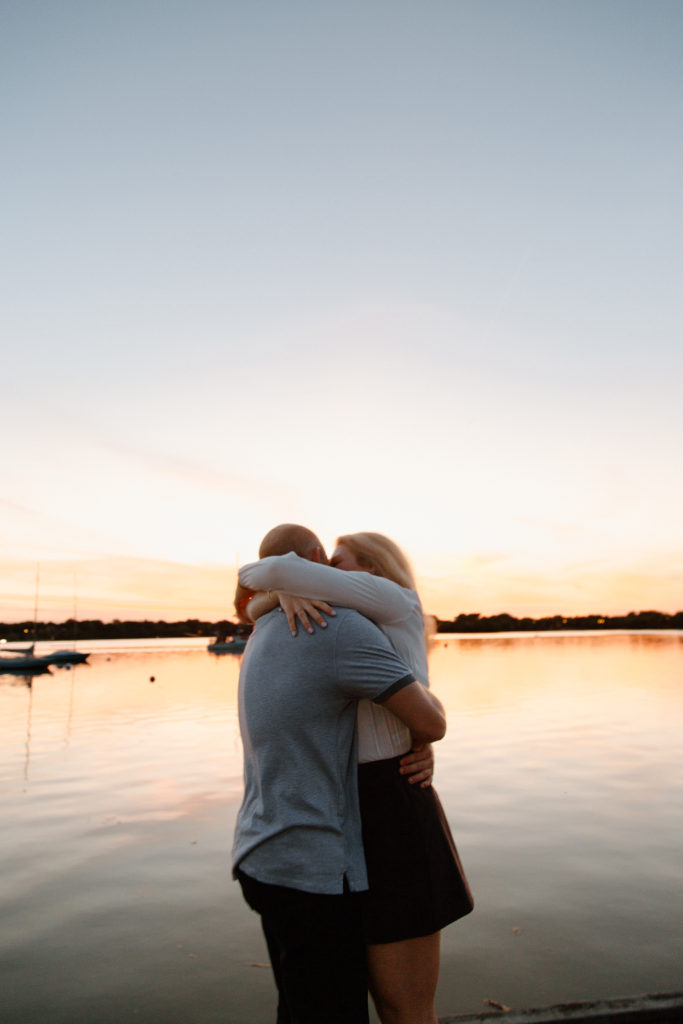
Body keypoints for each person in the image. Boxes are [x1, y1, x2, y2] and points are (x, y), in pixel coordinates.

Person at [238, 529, 473, 1024]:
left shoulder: (387, 606)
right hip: (344, 819)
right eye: (321, 568)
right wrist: (281, 595)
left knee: (402, 1006)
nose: (322, 578)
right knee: (342, 995)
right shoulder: (330, 620)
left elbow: (427, 713)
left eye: (335, 566)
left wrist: (425, 737)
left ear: (374, 572)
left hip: (393, 808)